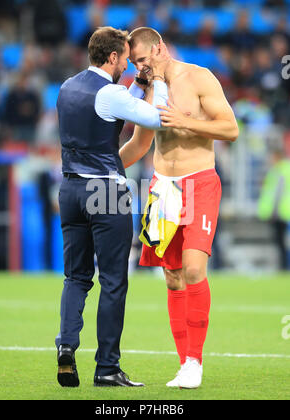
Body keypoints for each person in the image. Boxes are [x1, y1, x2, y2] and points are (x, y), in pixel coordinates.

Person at [120, 27, 239, 389]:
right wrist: (101, 168)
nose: (139, 68)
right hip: (162, 188)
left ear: (160, 49)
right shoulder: (147, 90)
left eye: (142, 59)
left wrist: (185, 121)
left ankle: (195, 362)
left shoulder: (199, 77)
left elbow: (230, 129)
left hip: (200, 181)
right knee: (171, 277)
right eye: (133, 62)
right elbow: (140, 143)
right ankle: (184, 364)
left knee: (192, 268)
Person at [55, 26, 170, 388]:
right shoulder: (109, 93)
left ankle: (67, 346)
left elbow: (116, 107)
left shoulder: (67, 87)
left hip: (70, 189)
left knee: (75, 277)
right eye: (124, 56)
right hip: (105, 192)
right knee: (113, 282)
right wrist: (160, 82)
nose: (127, 62)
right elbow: (156, 116)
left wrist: (137, 83)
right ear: (113, 58)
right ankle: (106, 367)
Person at [258, 148, 290, 270]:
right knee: (281, 242)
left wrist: (273, 212)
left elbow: (278, 193)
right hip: (284, 211)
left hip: (280, 212)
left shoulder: (280, 171)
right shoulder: (282, 170)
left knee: (281, 242)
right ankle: (284, 266)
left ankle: (284, 267)